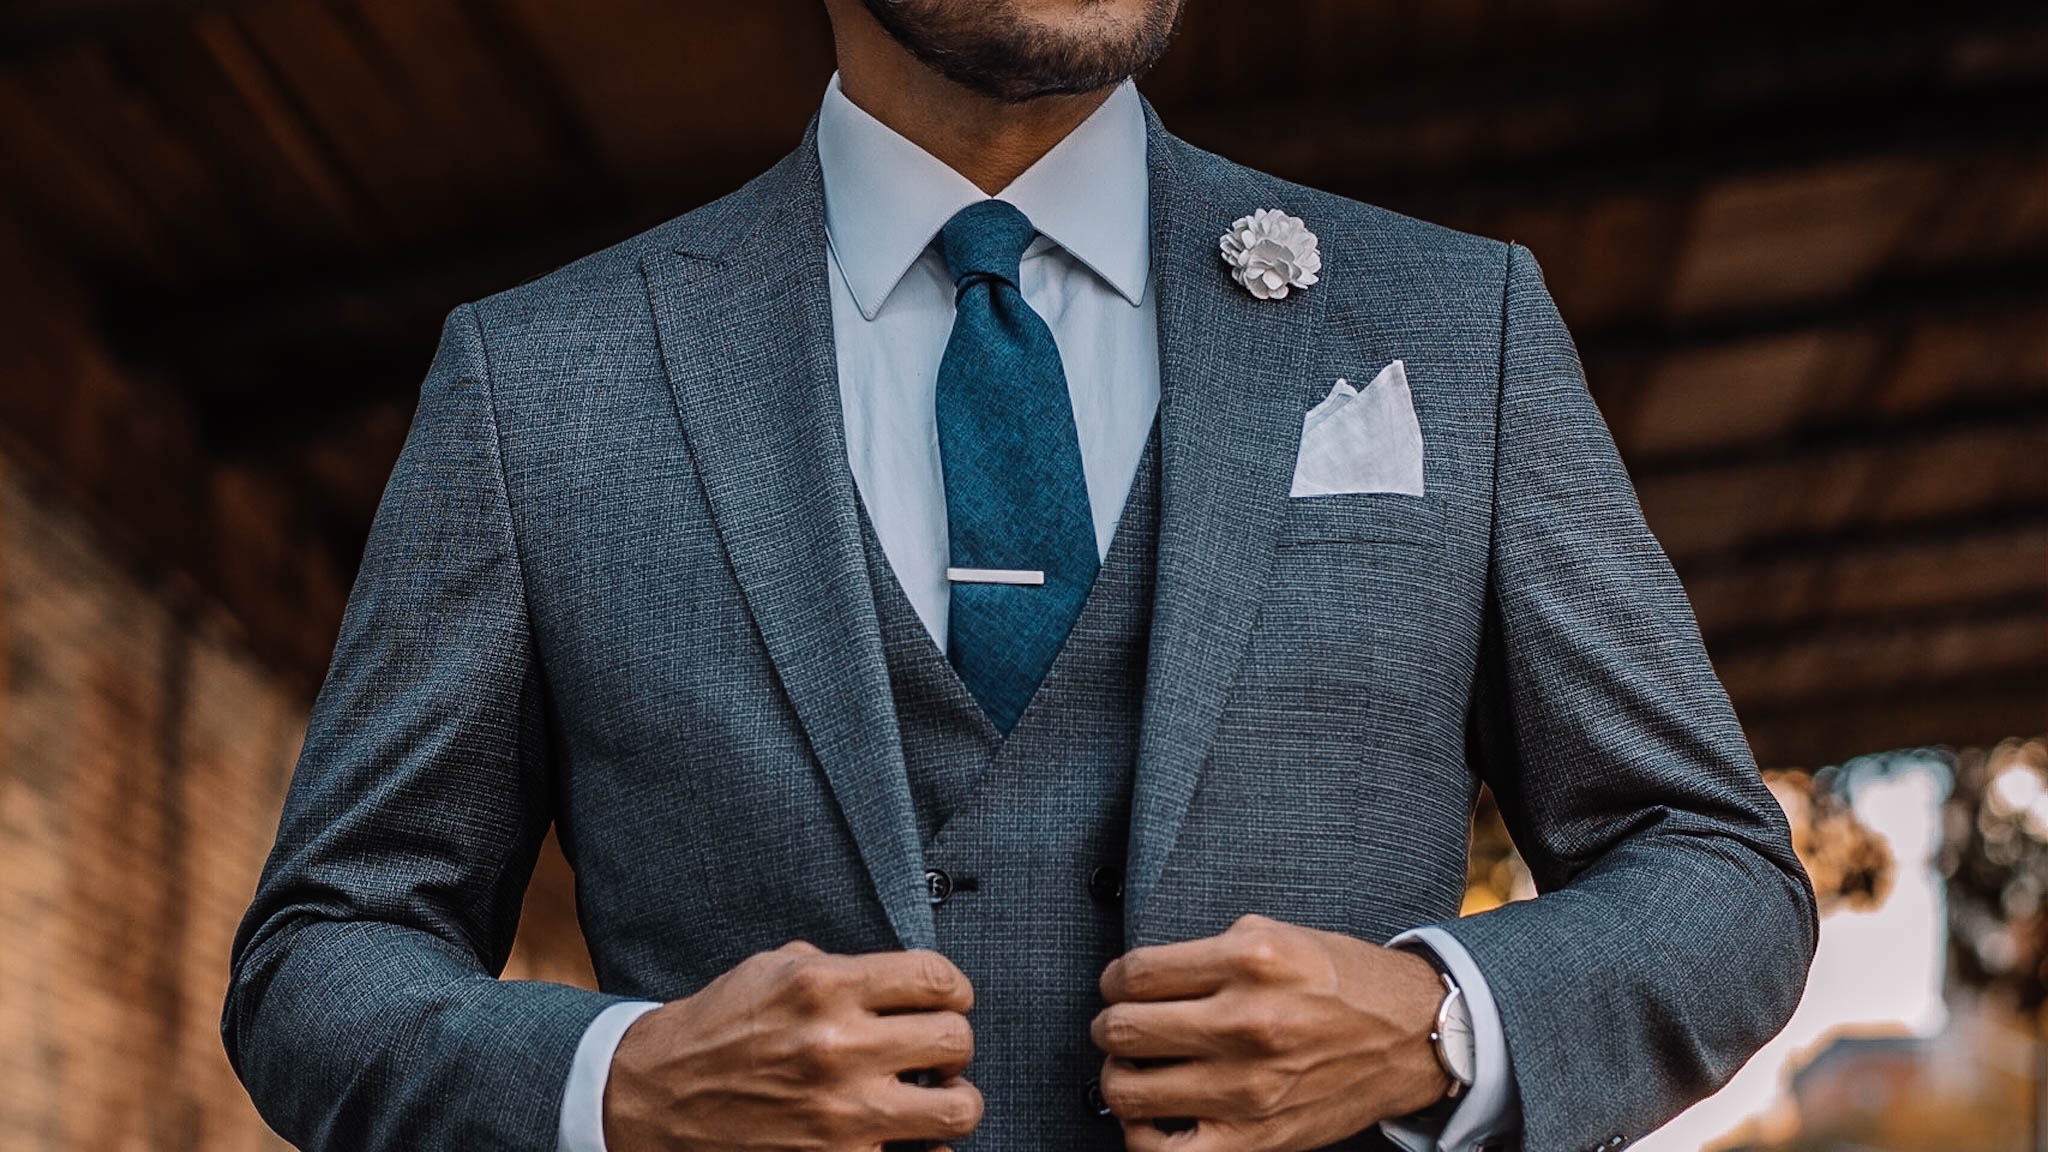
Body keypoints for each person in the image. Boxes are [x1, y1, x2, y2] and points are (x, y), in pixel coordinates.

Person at [223, 1, 1817, 1150]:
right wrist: (620, 1082)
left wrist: (1436, 1020)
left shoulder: (1451, 325)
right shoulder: (543, 380)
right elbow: (321, 956)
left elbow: (1716, 864)